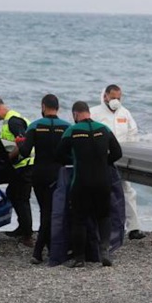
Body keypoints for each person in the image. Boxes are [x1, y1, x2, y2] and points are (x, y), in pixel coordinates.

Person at [54, 101, 123, 268]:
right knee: (103, 216)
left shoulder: (72, 130)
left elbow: (59, 155)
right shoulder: (104, 129)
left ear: (75, 114)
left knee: (79, 219)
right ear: (88, 112)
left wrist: (74, 161)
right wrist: (103, 162)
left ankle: (79, 259)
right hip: (102, 181)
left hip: (81, 182)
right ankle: (104, 250)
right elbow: (118, 153)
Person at [18, 94, 70, 264]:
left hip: (39, 174)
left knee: (45, 211)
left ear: (43, 106)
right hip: (59, 174)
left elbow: (25, 153)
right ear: (58, 107)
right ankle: (49, 249)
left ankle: (39, 251)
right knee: (55, 212)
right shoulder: (67, 127)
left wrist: (19, 144)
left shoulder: (34, 126)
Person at [90, 84, 146, 240]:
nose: (116, 101)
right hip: (100, 161)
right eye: (113, 97)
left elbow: (133, 134)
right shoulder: (94, 113)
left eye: (119, 98)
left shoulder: (125, 113)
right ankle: (100, 227)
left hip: (122, 158)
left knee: (128, 192)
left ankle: (134, 228)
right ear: (105, 96)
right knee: (100, 193)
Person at [0, 96, 34, 247]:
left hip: (25, 165)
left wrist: (9, 158)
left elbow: (24, 142)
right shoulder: (10, 119)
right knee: (13, 193)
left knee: (22, 199)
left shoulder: (13, 121)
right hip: (20, 165)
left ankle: (27, 235)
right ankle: (22, 227)